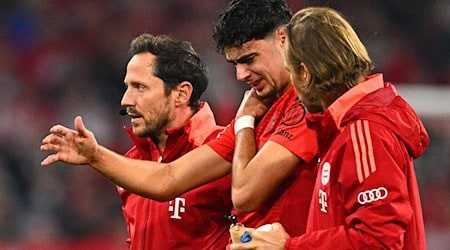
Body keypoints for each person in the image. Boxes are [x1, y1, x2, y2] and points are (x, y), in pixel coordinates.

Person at [40, 0, 318, 241]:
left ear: (283, 38)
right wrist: (95, 155)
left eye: (249, 59)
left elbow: (244, 195)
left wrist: (245, 121)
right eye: (235, 64)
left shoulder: (311, 103)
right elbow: (168, 180)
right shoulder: (255, 117)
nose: (241, 75)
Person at [230, 7, 429, 250]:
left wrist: (289, 246)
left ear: (304, 73)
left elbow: (378, 241)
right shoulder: (339, 128)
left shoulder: (365, 131)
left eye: (291, 72)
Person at [65, 33, 234, 249]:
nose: (125, 100)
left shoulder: (224, 153)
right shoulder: (132, 162)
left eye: (140, 87)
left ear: (181, 94)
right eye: (127, 87)